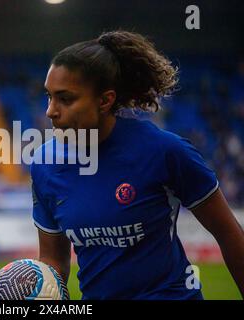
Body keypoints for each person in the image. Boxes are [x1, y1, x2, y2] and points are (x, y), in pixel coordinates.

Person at [30, 30, 244, 300]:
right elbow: (53, 262)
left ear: (105, 100)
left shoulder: (165, 151)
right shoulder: (44, 165)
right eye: (49, 96)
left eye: (65, 99)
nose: (50, 110)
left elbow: (228, 232)